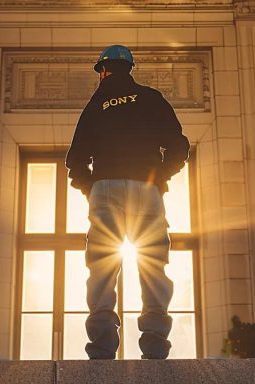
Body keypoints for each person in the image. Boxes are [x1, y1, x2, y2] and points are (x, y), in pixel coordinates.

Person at [66, 45, 190, 360]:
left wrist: (90, 187)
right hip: (145, 187)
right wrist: (161, 176)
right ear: (129, 69)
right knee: (152, 263)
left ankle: (103, 343)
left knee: (103, 265)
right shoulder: (151, 99)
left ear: (104, 70)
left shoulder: (96, 105)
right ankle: (155, 341)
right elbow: (178, 145)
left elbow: (76, 158)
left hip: (106, 187)